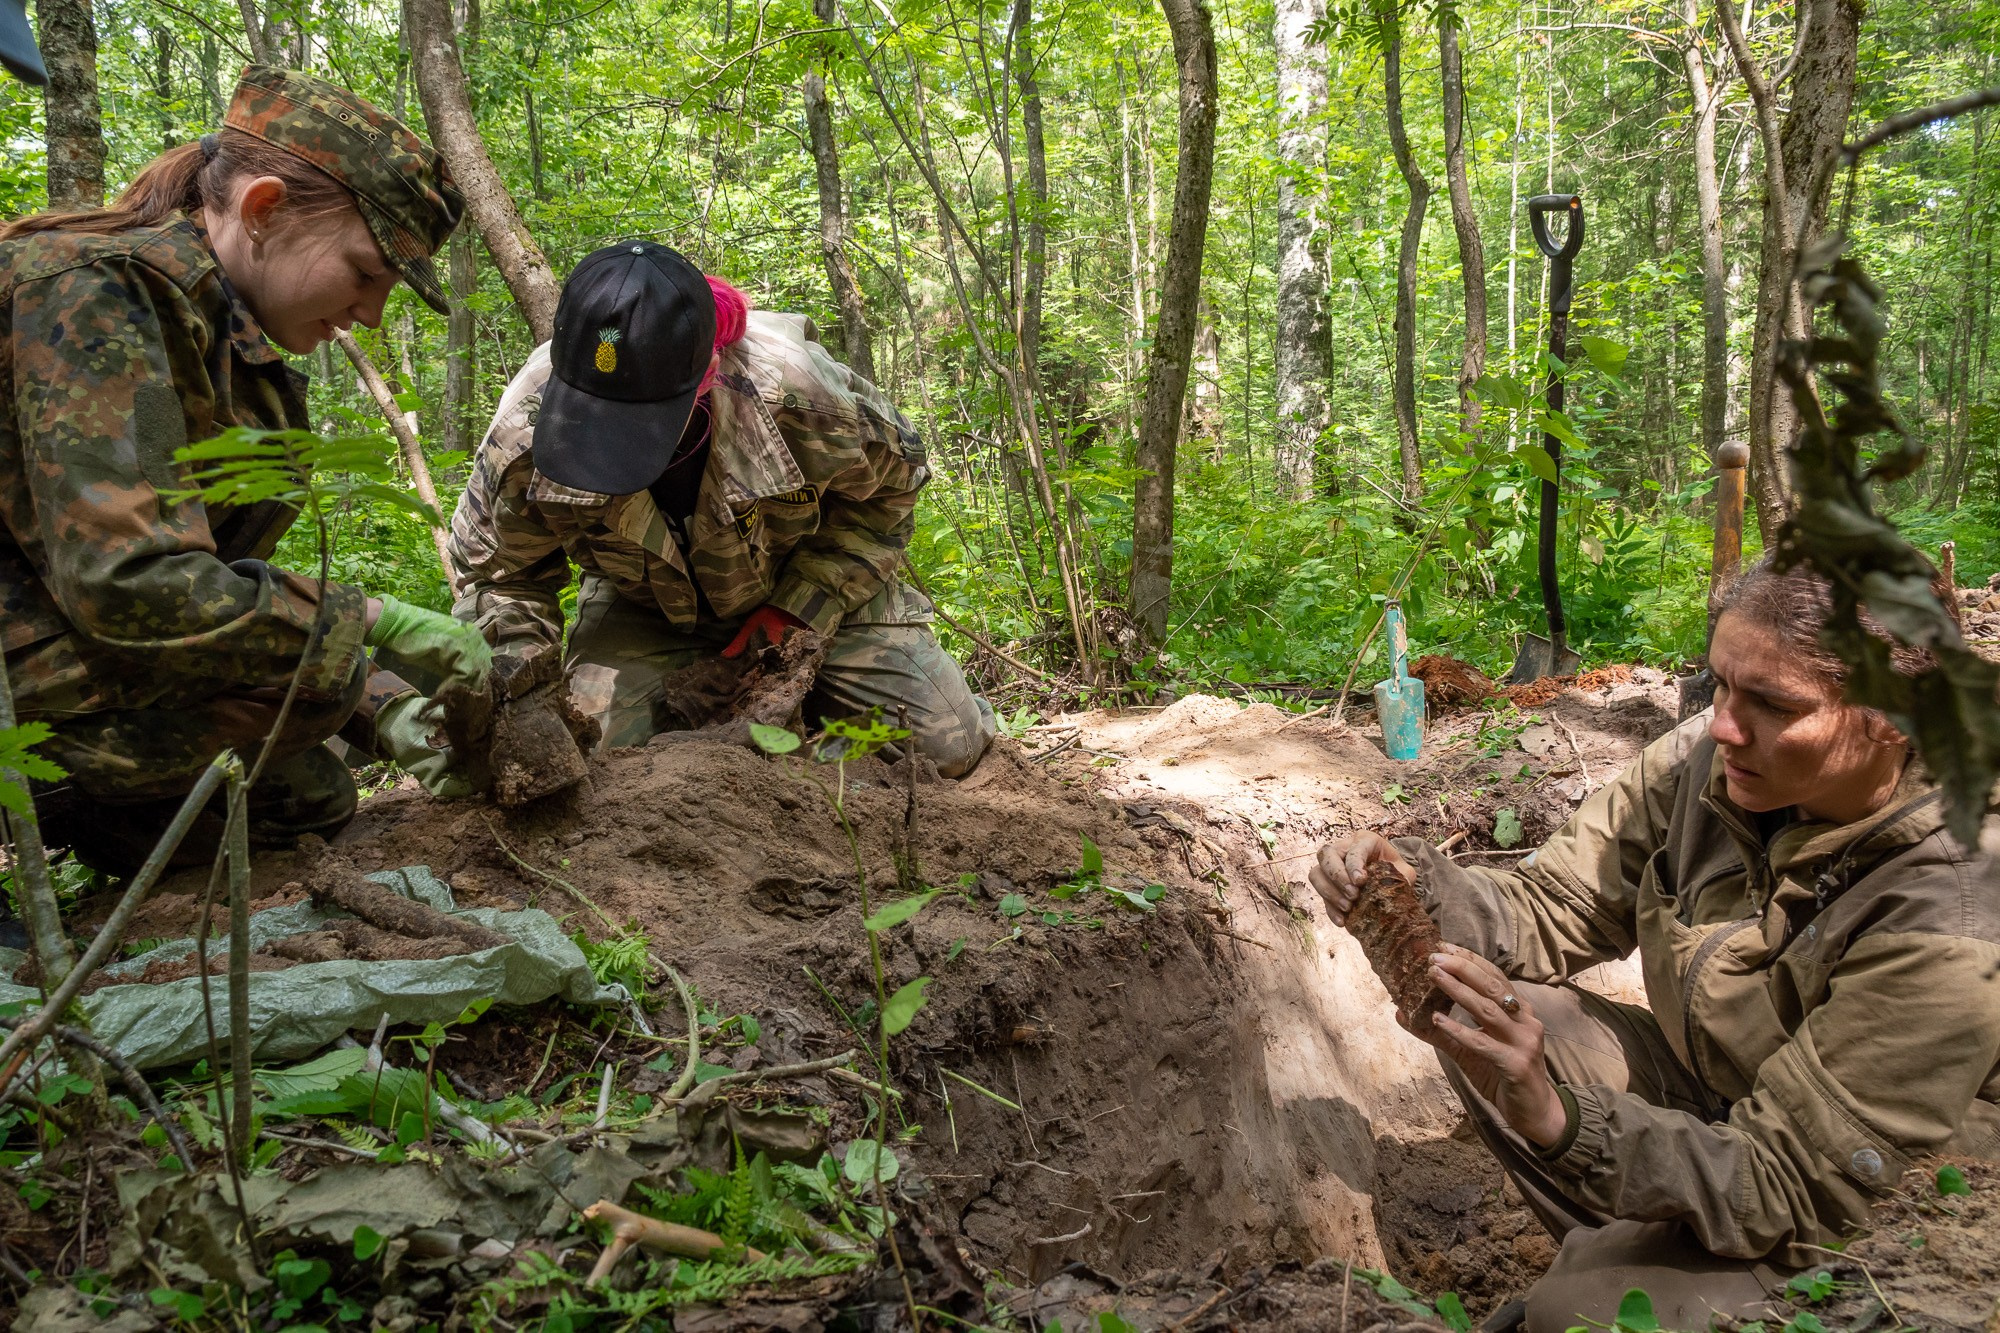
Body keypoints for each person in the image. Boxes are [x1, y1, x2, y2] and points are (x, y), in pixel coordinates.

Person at [1311, 556, 2000, 1333]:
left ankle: (1624, 1282)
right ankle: (1630, 1257)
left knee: (1585, 1307)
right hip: (1733, 1095)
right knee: (1483, 1014)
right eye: (1722, 684)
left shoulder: (1955, 907)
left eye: (1771, 702)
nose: (1726, 724)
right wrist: (1416, 886)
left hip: (1865, 1186)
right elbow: (1553, 902)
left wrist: (1561, 1121)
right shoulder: (1718, 754)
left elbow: (1792, 1177)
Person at [0, 65, 490, 877]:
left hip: (48, 645)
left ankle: (91, 822)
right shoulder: (102, 290)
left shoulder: (217, 329)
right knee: (311, 688)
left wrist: (389, 710)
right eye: (366, 272)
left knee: (305, 796)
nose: (371, 312)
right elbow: (131, 586)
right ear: (264, 209)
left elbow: (205, 576)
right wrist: (369, 621)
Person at [448, 241, 996, 776]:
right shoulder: (525, 435)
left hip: (811, 587)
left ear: (707, 374)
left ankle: (786, 744)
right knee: (593, 762)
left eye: (638, 422)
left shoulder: (801, 397)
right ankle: (728, 740)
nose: (614, 440)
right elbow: (501, 577)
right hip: (648, 608)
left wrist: (803, 605)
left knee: (943, 746)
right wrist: (521, 693)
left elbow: (888, 497)